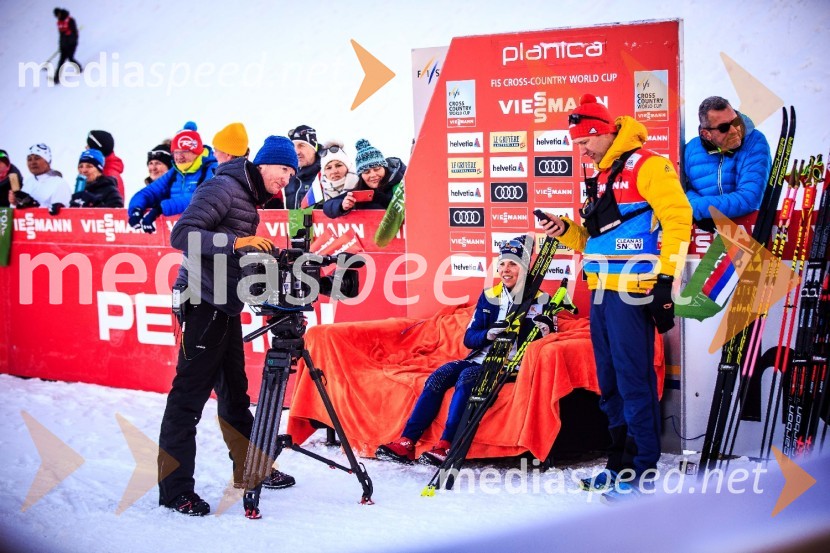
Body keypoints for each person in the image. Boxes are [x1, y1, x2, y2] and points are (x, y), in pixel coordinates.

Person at [540, 94, 691, 501]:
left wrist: (665, 279)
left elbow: (679, 220)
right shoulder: (601, 175)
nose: (581, 150)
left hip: (634, 290)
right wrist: (565, 231)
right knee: (610, 384)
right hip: (602, 291)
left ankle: (641, 471)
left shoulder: (650, 165)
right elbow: (594, 240)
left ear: (603, 131)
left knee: (633, 379)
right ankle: (617, 464)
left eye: (584, 142)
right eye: (576, 144)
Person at [157, 135, 300, 516]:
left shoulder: (247, 196)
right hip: (201, 302)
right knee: (187, 399)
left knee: (235, 394)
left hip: (224, 304)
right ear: (264, 163)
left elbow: (233, 248)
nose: (287, 178)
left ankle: (252, 470)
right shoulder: (222, 186)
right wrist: (237, 244)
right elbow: (182, 235)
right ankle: (174, 491)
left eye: (292, 172)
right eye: (283, 169)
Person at [376, 236, 552, 466]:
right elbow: (470, 339)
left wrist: (544, 328)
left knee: (467, 377)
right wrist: (489, 334)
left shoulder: (541, 299)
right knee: (441, 374)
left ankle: (446, 444)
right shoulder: (490, 296)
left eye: (513, 264)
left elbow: (547, 341)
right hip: (479, 358)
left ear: (526, 267)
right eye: (502, 264)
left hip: (511, 364)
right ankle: (407, 441)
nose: (505, 270)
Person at [683, 96, 771, 232]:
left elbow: (749, 198)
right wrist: (701, 213)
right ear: (706, 134)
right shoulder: (691, 150)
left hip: (750, 233)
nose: (734, 130)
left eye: (736, 121)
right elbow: (682, 189)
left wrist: (699, 210)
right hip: (704, 237)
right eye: (724, 128)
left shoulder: (755, 141)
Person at [128, 122, 217, 233]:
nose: (179, 157)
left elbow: (200, 199)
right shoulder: (175, 172)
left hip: (204, 232)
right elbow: (148, 192)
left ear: (196, 152)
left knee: (194, 250)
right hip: (178, 233)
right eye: (176, 152)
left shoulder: (212, 169)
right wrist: (136, 209)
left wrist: (160, 209)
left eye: (184, 152)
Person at [322, 138, 406, 218]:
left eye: (377, 169)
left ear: (385, 168)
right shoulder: (362, 191)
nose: (373, 175)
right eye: (366, 172)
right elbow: (327, 206)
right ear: (361, 176)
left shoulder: (402, 184)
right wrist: (342, 205)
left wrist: (381, 198)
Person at [265, 124, 320, 209]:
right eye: (293, 146)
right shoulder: (287, 174)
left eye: (301, 145)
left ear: (314, 148)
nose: (297, 152)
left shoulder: (327, 172)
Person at [10, 144, 71, 211]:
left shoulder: (59, 184)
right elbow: (17, 214)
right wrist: (15, 203)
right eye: (29, 159)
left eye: (37, 158)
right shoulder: (29, 182)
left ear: (47, 161)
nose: (33, 162)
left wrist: (34, 205)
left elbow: (64, 216)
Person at [86, 130, 126, 198]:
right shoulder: (97, 170)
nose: (86, 148)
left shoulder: (110, 176)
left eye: (89, 146)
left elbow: (114, 206)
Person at [52, 8, 81, 84]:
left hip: (71, 44)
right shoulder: (59, 23)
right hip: (64, 45)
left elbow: (74, 33)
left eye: (57, 15)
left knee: (70, 58)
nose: (57, 17)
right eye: (56, 16)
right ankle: (56, 77)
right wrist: (61, 45)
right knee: (61, 61)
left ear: (60, 13)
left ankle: (79, 68)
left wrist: (71, 41)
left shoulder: (70, 20)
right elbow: (61, 35)